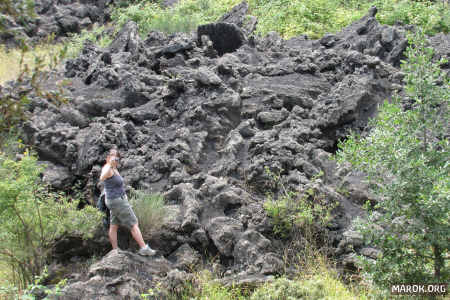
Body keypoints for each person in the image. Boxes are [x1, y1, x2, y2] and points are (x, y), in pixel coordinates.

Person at [99, 148, 156, 256]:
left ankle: (115, 251)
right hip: (116, 201)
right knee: (134, 223)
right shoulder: (108, 168)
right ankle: (144, 248)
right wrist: (110, 164)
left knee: (114, 225)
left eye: (116, 157)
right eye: (112, 156)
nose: (114, 158)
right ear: (108, 157)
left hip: (115, 200)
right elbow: (102, 177)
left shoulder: (114, 168)